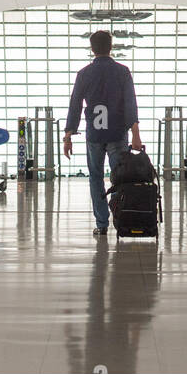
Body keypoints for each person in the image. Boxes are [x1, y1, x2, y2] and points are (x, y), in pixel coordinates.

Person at [63, 30, 143, 237]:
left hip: (95, 135)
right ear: (111, 47)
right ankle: (120, 217)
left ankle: (102, 223)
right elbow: (130, 103)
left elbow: (75, 105)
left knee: (95, 177)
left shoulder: (84, 74)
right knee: (120, 178)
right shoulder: (123, 72)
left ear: (92, 49)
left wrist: (68, 135)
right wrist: (135, 133)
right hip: (117, 133)